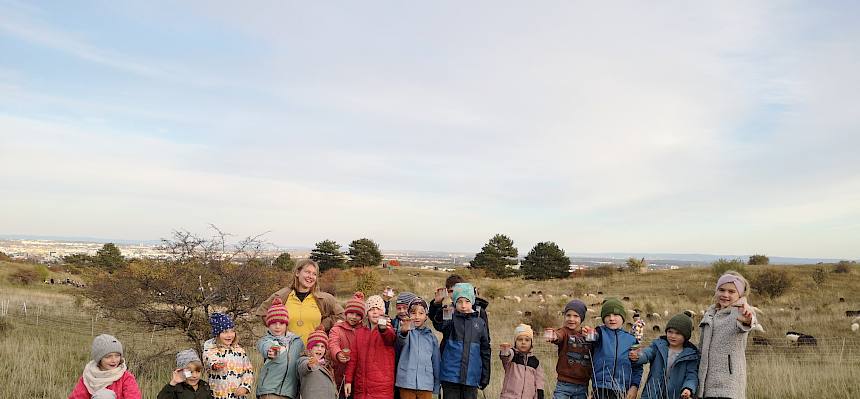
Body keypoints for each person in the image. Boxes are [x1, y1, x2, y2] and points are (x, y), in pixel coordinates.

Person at [255, 259, 345, 344]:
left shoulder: (324, 299)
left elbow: (341, 316)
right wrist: (277, 330)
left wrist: (324, 325)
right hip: (287, 352)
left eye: (314, 274)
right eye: (307, 272)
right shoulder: (281, 296)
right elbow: (262, 312)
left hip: (313, 352)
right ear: (297, 273)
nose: (310, 276)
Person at [698, 271, 757, 399]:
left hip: (728, 386)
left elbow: (749, 323)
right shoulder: (710, 313)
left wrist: (748, 320)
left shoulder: (739, 312)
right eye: (722, 290)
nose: (725, 295)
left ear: (739, 294)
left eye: (731, 292)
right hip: (706, 385)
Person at [433, 283, 490, 399]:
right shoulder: (450, 318)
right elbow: (439, 324)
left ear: (472, 302)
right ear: (454, 302)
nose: (463, 305)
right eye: (459, 302)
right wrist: (439, 307)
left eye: (467, 301)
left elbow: (485, 350)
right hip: (450, 377)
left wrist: (485, 375)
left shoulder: (480, 323)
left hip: (471, 377)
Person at [629, 313, 699, 399]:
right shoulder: (658, 346)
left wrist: (688, 388)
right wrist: (639, 355)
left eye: (678, 333)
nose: (673, 336)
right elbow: (648, 353)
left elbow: (691, 375)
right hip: (652, 394)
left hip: (675, 396)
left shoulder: (691, 355)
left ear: (685, 335)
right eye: (670, 332)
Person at [344, 294, 396, 399]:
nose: (375, 312)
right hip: (361, 388)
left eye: (378, 309)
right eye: (371, 309)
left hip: (382, 389)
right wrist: (348, 380)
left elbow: (390, 337)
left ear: (383, 312)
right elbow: (353, 359)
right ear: (367, 313)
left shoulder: (388, 329)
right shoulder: (359, 332)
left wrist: (383, 328)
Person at [590, 298, 643, 399]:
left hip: (622, 390)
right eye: (607, 315)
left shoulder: (632, 340)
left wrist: (634, 386)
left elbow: (637, 366)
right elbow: (590, 341)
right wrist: (587, 333)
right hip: (600, 387)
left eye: (616, 315)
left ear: (623, 317)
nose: (611, 318)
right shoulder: (599, 333)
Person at [255, 298, 303, 399]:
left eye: (281, 323)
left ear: (286, 324)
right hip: (269, 391)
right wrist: (270, 351)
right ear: (268, 325)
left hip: (289, 392)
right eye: (273, 323)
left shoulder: (297, 342)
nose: (277, 326)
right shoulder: (266, 340)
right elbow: (265, 347)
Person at [69, 334, 142, 399]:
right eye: (108, 356)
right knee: (103, 395)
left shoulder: (126, 377)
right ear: (99, 358)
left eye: (117, 356)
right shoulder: (89, 376)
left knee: (105, 395)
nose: (114, 360)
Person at [394, 297, 440, 399]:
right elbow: (399, 343)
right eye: (413, 313)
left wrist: (436, 385)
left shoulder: (431, 337)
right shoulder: (404, 332)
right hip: (406, 383)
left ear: (426, 316)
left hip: (426, 384)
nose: (417, 317)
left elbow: (436, 362)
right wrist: (403, 332)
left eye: (421, 313)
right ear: (408, 315)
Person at [547, 300, 592, 399]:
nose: (571, 319)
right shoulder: (564, 331)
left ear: (581, 318)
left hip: (582, 386)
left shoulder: (586, 335)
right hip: (564, 384)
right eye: (568, 315)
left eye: (576, 316)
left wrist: (591, 336)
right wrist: (554, 336)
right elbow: (559, 336)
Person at [202, 313, 254, 399]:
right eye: (225, 332)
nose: (229, 335)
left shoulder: (239, 351)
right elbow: (208, 360)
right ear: (217, 334)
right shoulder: (210, 349)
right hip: (218, 395)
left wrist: (245, 387)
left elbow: (248, 370)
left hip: (238, 396)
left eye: (232, 331)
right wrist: (215, 365)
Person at [329, 292, 366, 398]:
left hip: (359, 378)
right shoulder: (337, 329)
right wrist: (338, 353)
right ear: (346, 313)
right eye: (351, 313)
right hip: (339, 375)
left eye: (358, 315)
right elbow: (333, 343)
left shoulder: (364, 331)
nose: (354, 317)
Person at [500, 324, 546, 399]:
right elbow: (505, 357)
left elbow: (539, 382)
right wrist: (505, 350)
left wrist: (540, 395)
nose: (523, 342)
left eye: (527, 340)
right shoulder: (512, 356)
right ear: (515, 342)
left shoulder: (535, 362)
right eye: (520, 339)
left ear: (531, 343)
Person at [298, 327, 339, 399]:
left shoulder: (327, 365)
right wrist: (310, 364)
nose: (319, 349)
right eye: (316, 345)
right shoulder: (304, 360)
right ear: (309, 348)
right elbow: (304, 367)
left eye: (322, 346)